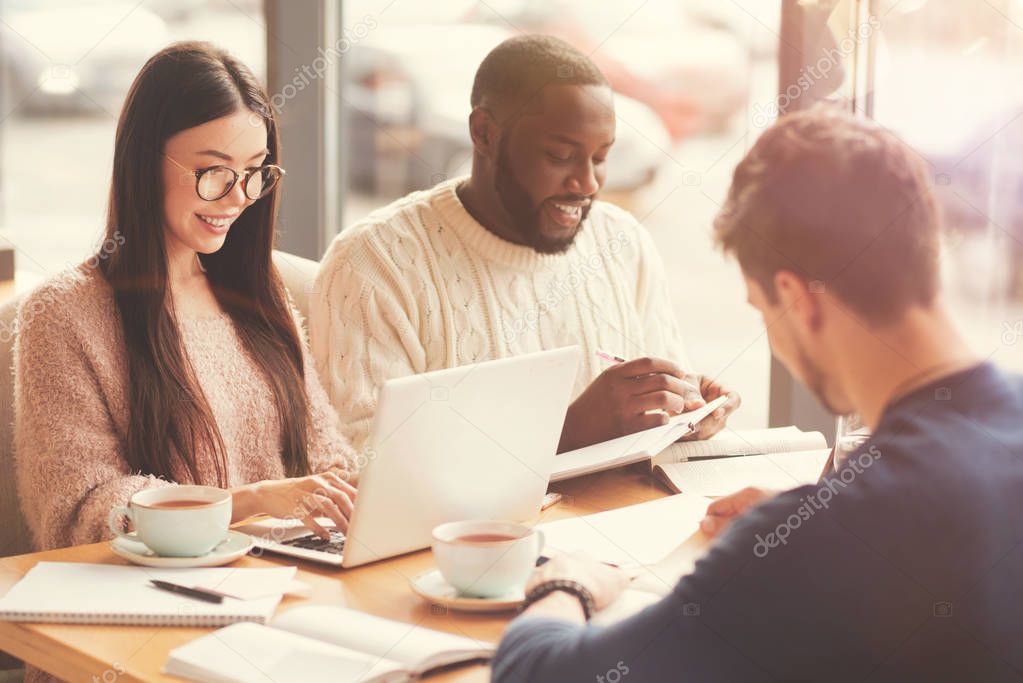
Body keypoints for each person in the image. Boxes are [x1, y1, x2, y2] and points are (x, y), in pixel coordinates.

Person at [490, 106, 1023, 682]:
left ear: (799, 298)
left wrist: (565, 583)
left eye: (764, 310)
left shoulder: (823, 545)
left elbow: (540, 674)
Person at [310, 35, 738, 456]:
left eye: (601, 157)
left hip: (626, 515)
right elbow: (363, 468)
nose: (587, 183)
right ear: (484, 134)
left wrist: (683, 412)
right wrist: (567, 430)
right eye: (559, 156)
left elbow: (652, 421)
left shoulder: (622, 244)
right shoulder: (373, 264)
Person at [15, 42, 359, 559]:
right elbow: (83, 514)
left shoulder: (260, 295)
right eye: (214, 171)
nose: (240, 196)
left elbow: (326, 455)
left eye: (256, 171)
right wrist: (251, 501)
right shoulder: (63, 316)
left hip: (285, 578)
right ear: (144, 161)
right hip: (161, 595)